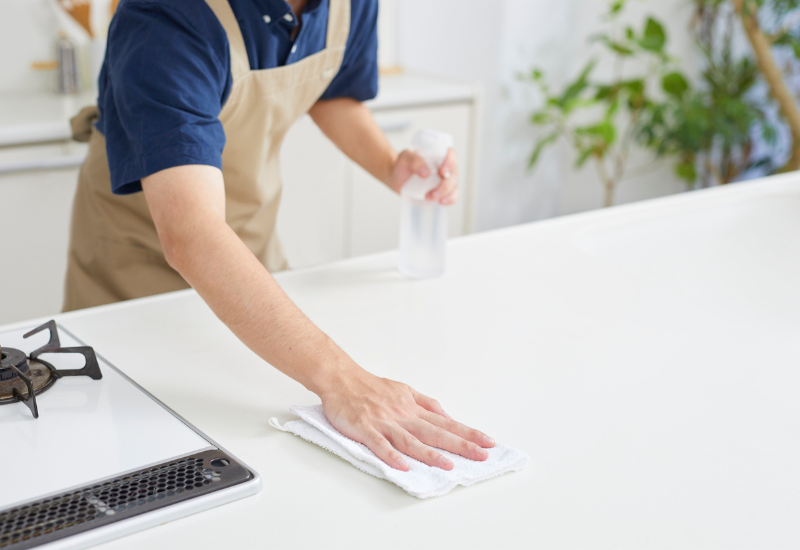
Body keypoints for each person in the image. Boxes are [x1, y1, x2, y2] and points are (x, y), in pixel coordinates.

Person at [64, 0, 494, 471]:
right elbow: (193, 234)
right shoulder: (166, 17)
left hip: (248, 248)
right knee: (143, 451)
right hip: (137, 268)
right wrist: (344, 381)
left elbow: (332, 92)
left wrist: (390, 166)